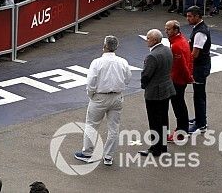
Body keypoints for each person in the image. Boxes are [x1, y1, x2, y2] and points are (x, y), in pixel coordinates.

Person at [74, 35, 131, 167]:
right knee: (114, 128)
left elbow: (91, 82)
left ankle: (87, 153)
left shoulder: (97, 62)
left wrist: (91, 95)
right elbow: (127, 78)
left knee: (91, 125)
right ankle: (108, 156)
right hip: (117, 97)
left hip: (99, 97)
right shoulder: (123, 62)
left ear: (105, 46)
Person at [139, 28, 174, 157]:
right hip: (166, 88)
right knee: (164, 119)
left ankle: (155, 148)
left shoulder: (152, 56)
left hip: (154, 92)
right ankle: (163, 146)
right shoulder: (167, 49)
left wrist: (144, 85)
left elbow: (146, 75)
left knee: (154, 121)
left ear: (154, 40)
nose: (146, 40)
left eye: (148, 38)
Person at [165, 20, 193, 142]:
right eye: (166, 29)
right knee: (180, 104)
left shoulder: (177, 45)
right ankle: (183, 129)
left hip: (177, 80)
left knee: (178, 106)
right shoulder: (182, 40)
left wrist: (188, 78)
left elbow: (182, 65)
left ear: (176, 30)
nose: (166, 31)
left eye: (169, 29)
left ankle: (181, 132)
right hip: (179, 78)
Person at [186, 6, 211, 133]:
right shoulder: (198, 28)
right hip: (201, 66)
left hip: (200, 68)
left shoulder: (200, 33)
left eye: (190, 16)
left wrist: (185, 62)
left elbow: (194, 54)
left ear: (197, 16)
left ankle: (201, 123)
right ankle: (199, 118)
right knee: (198, 95)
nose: (188, 18)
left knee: (199, 95)